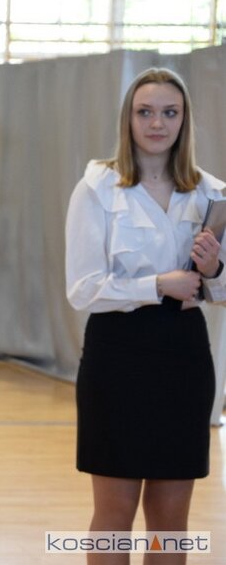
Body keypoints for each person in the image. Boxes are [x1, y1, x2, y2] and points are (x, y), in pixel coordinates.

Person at [65, 67, 222, 565]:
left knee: (170, 520)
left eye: (169, 112)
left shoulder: (211, 193)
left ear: (184, 120)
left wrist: (213, 269)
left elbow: (220, 288)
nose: (157, 123)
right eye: (145, 112)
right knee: (114, 514)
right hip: (116, 356)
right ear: (128, 118)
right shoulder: (97, 187)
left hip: (184, 357)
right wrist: (157, 284)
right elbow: (82, 289)